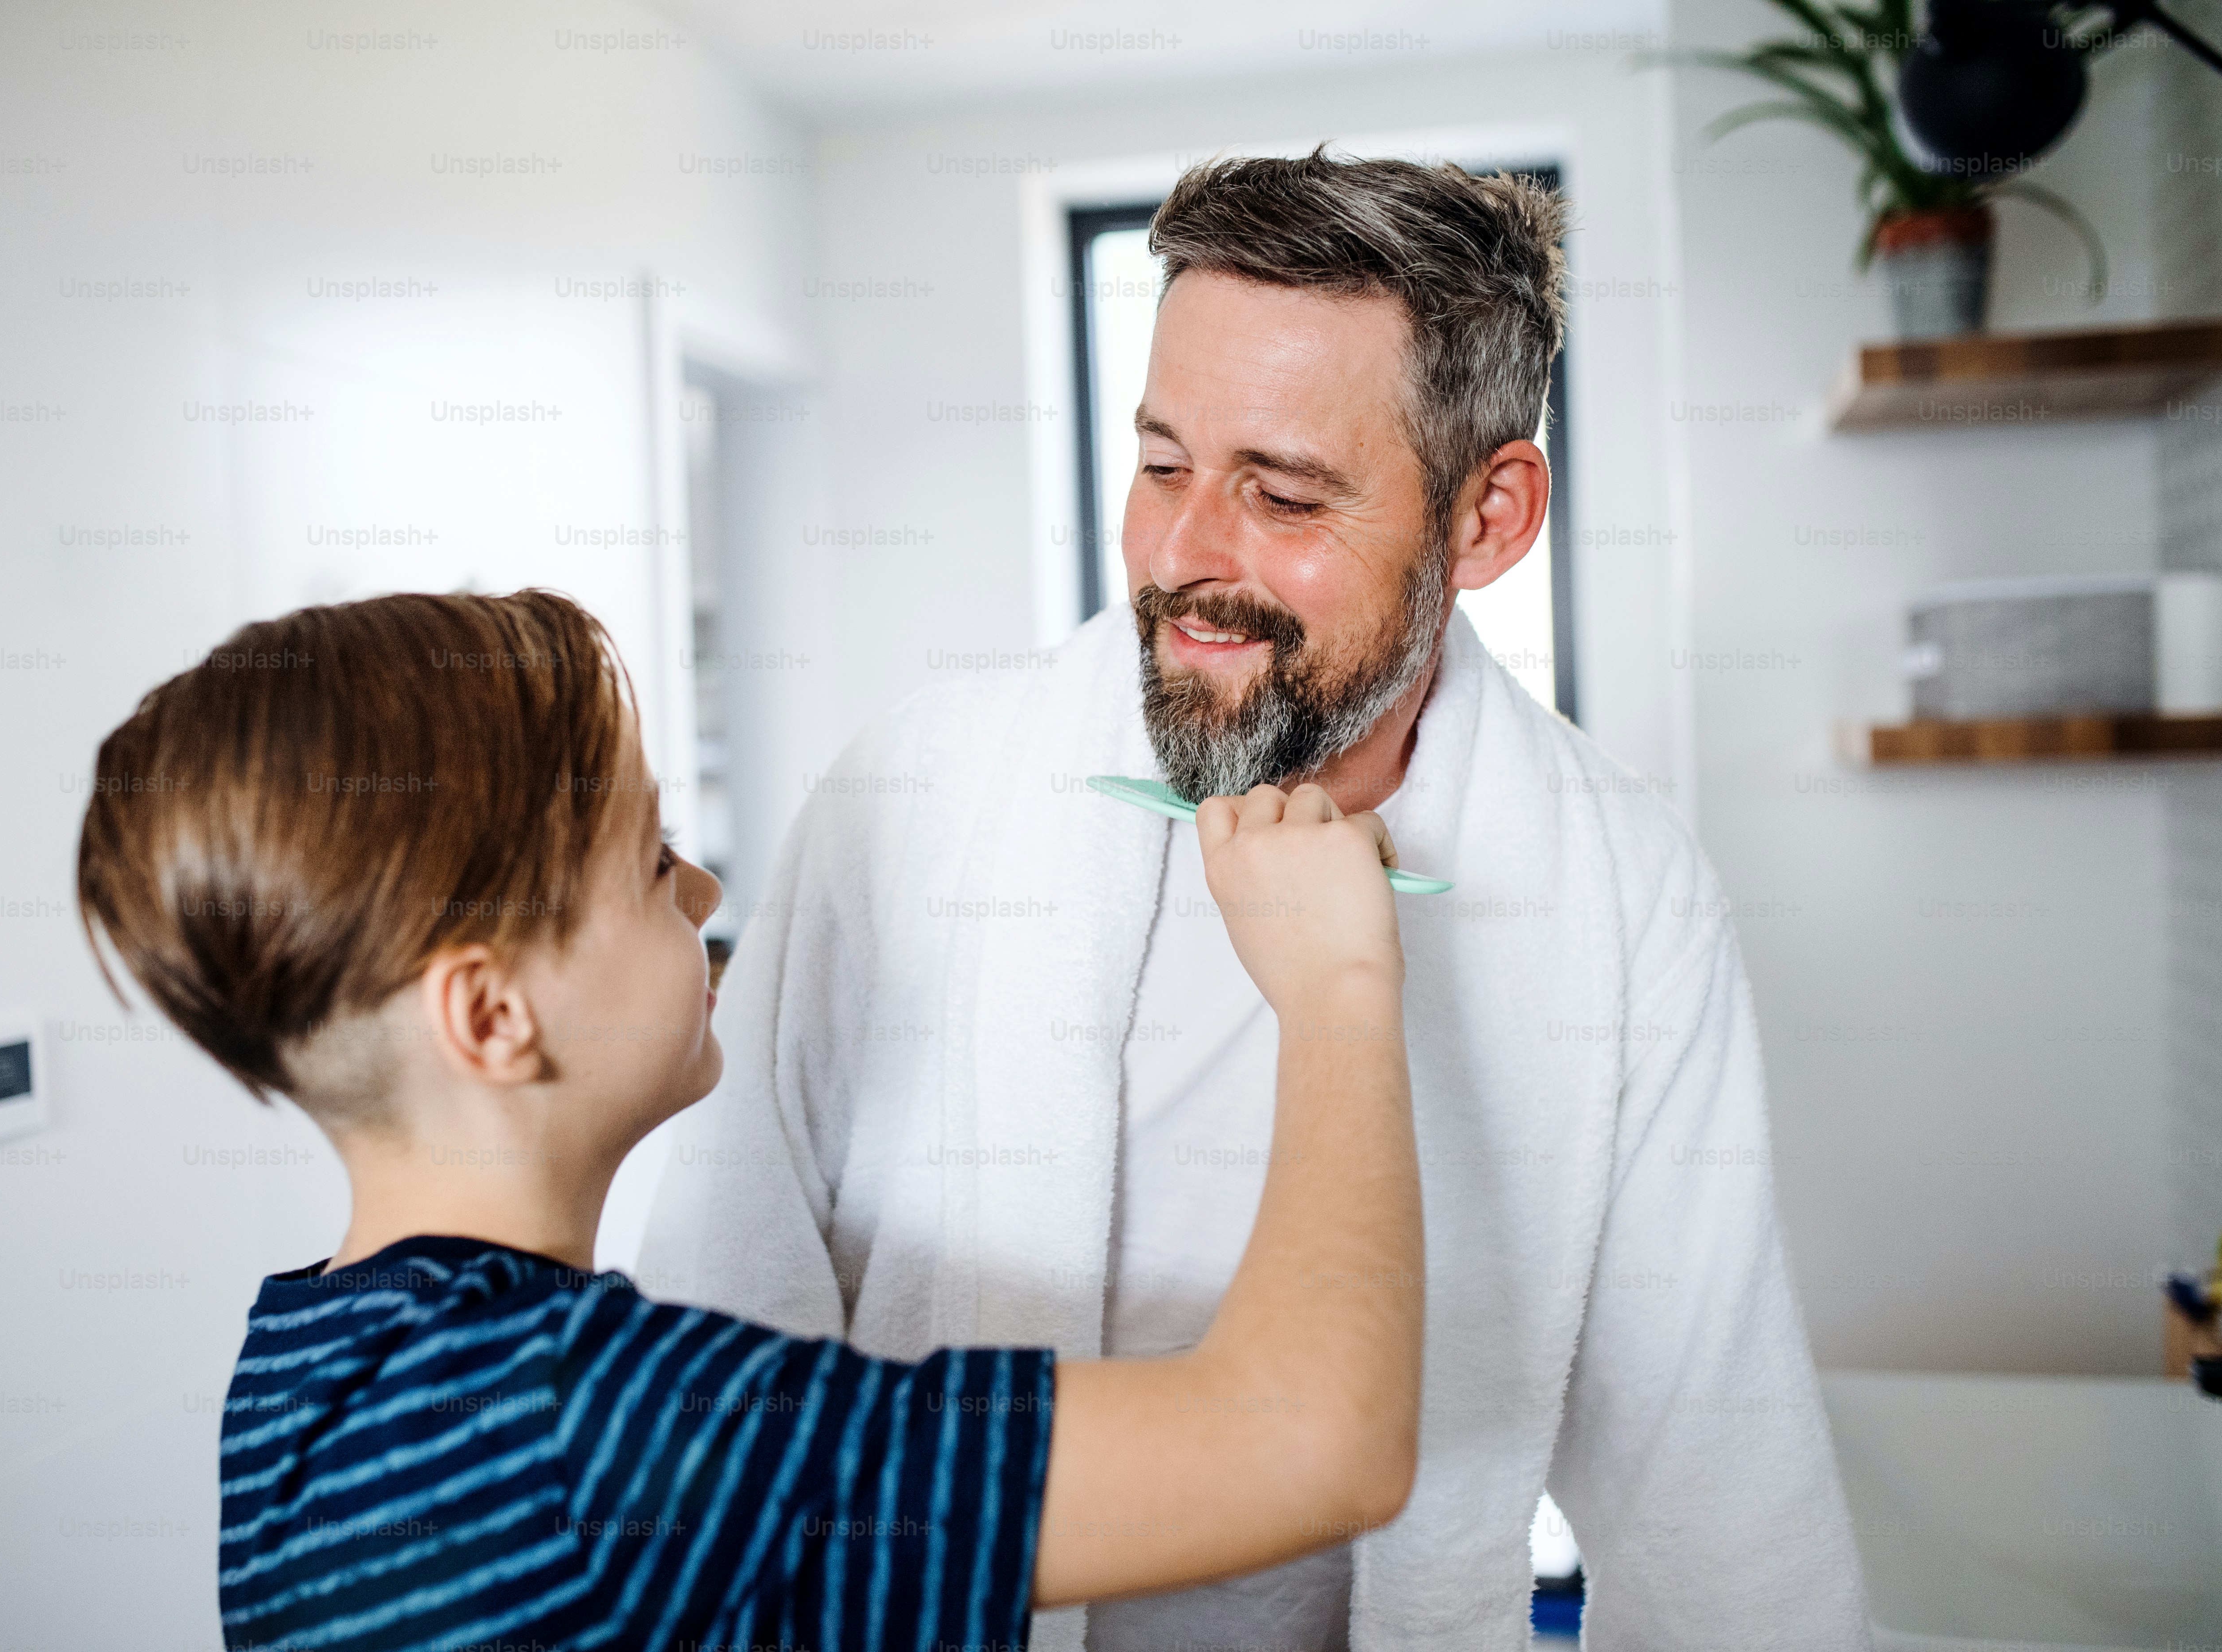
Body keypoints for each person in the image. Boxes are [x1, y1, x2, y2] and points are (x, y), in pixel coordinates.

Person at [640, 150, 1874, 1650]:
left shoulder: (1625, 901)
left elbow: (1711, 1481)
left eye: (1283, 494)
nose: (1181, 557)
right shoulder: (919, 798)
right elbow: (718, 1312)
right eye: (1162, 464)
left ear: (1489, 520)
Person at [73, 588, 1427, 1651]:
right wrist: (1339, 986)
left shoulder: (308, 1363)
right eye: (650, 859)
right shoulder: (599, 1436)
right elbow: (1315, 1443)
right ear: (490, 1018)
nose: (708, 889)